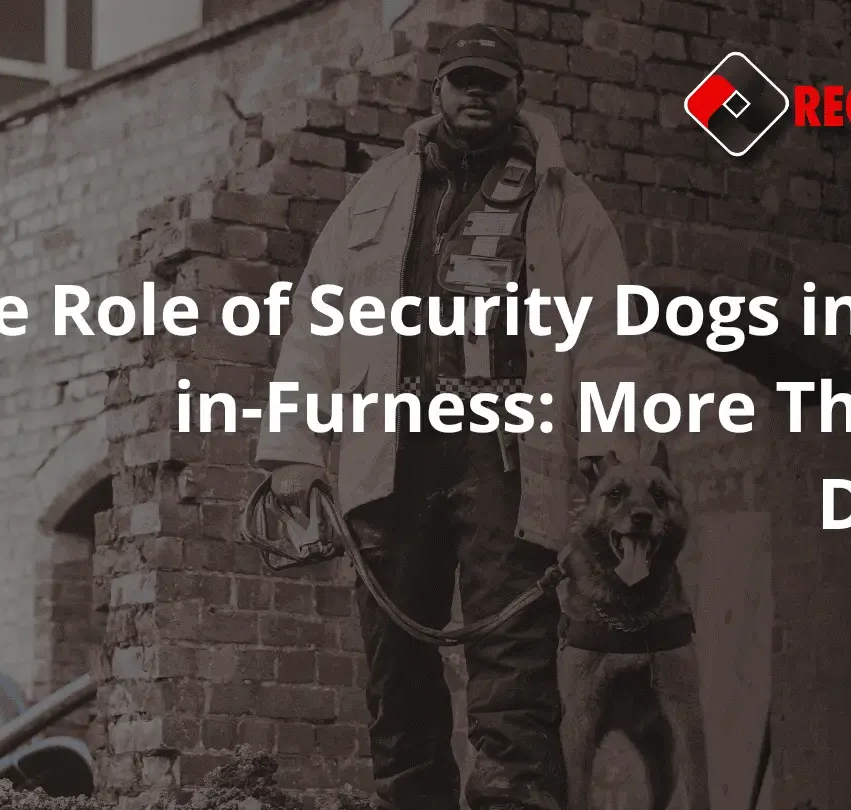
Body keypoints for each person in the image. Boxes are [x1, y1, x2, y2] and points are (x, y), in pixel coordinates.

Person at [254, 24, 655, 810]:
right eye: (463, 80)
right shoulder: (373, 197)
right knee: (395, 673)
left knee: (514, 668)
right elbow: (316, 325)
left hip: (505, 458)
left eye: (493, 82)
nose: (477, 94)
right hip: (391, 455)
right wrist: (294, 447)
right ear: (436, 91)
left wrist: (611, 450)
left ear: (519, 95)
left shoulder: (565, 205)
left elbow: (610, 335)